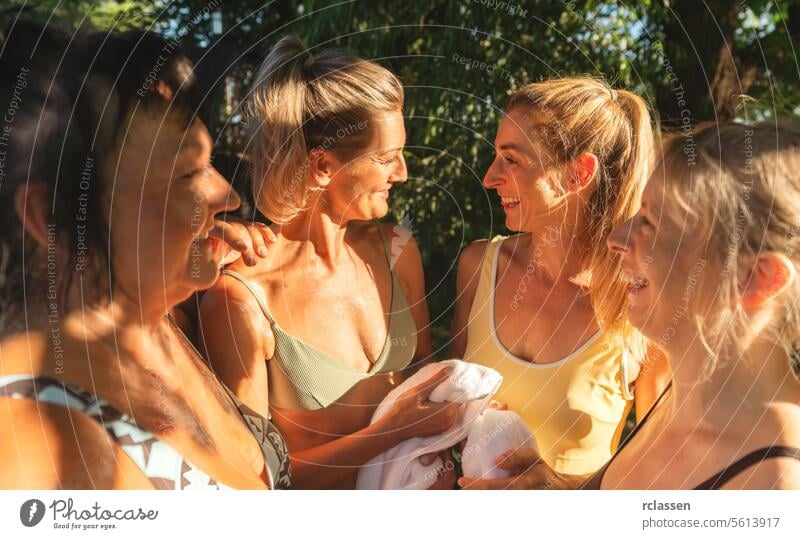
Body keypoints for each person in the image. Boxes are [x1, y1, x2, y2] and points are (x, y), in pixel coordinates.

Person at [0, 23, 290, 489]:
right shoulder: (43, 443)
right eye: (186, 174)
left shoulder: (158, 321)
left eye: (209, 164)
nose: (229, 196)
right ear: (52, 217)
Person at [462, 121, 800, 490]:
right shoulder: (677, 405)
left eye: (651, 223)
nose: (617, 238)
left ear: (755, 278)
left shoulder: (775, 481)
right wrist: (556, 490)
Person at [199, 36, 459, 489]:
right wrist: (392, 432)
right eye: (385, 158)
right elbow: (251, 479)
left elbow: (423, 367)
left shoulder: (398, 250)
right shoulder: (242, 299)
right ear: (321, 166)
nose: (402, 173)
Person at [451, 77, 670, 485]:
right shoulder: (479, 267)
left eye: (511, 160)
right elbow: (442, 411)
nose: (489, 177)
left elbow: (662, 465)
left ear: (578, 173)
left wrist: (561, 489)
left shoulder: (642, 307)